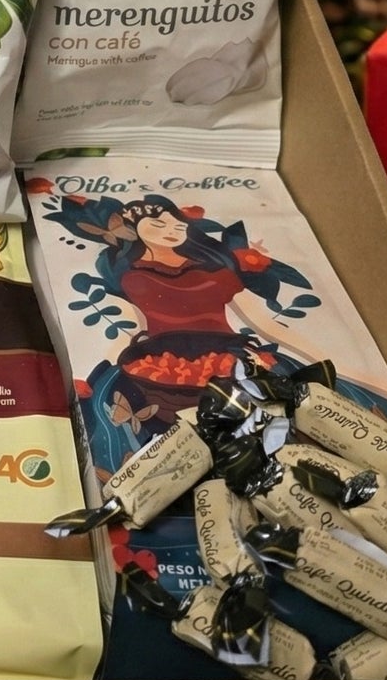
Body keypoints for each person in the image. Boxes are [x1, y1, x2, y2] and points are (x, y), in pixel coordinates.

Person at [43, 189, 319, 470]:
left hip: (230, 357)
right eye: (158, 224)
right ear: (133, 230)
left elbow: (260, 322)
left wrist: (307, 355)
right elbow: (132, 327)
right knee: (114, 414)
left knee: (290, 411)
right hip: (156, 362)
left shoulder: (216, 269)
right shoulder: (128, 273)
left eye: (177, 224)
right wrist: (100, 372)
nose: (171, 230)